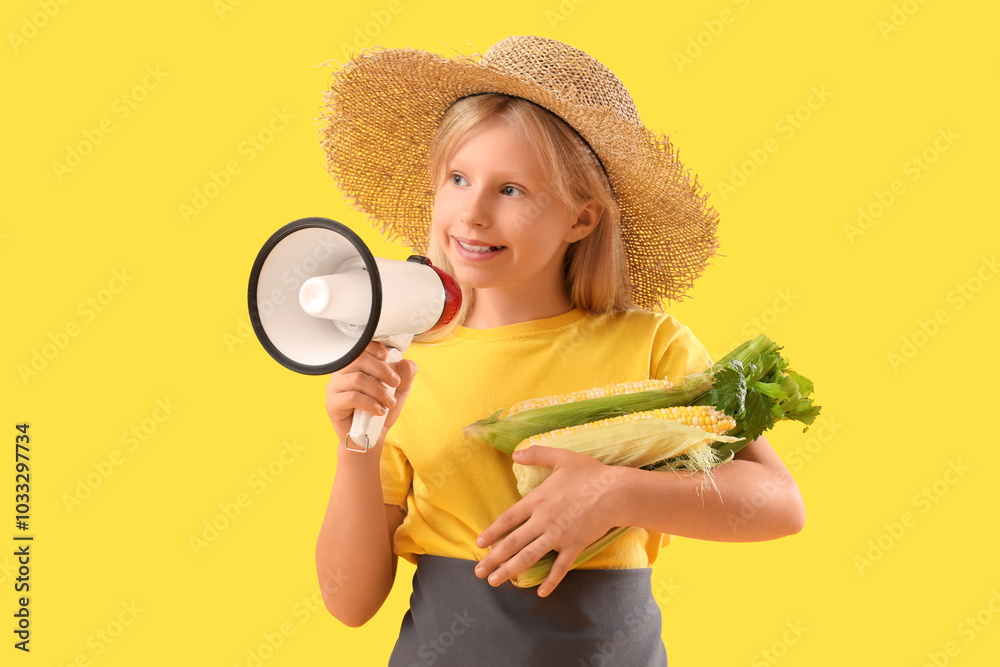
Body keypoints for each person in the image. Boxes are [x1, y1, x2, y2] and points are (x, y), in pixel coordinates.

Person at [314, 36, 805, 666]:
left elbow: (778, 505)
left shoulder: (651, 346)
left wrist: (617, 493)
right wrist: (357, 450)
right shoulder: (404, 363)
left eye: (511, 190)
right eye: (458, 178)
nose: (472, 213)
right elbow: (348, 603)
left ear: (581, 219)